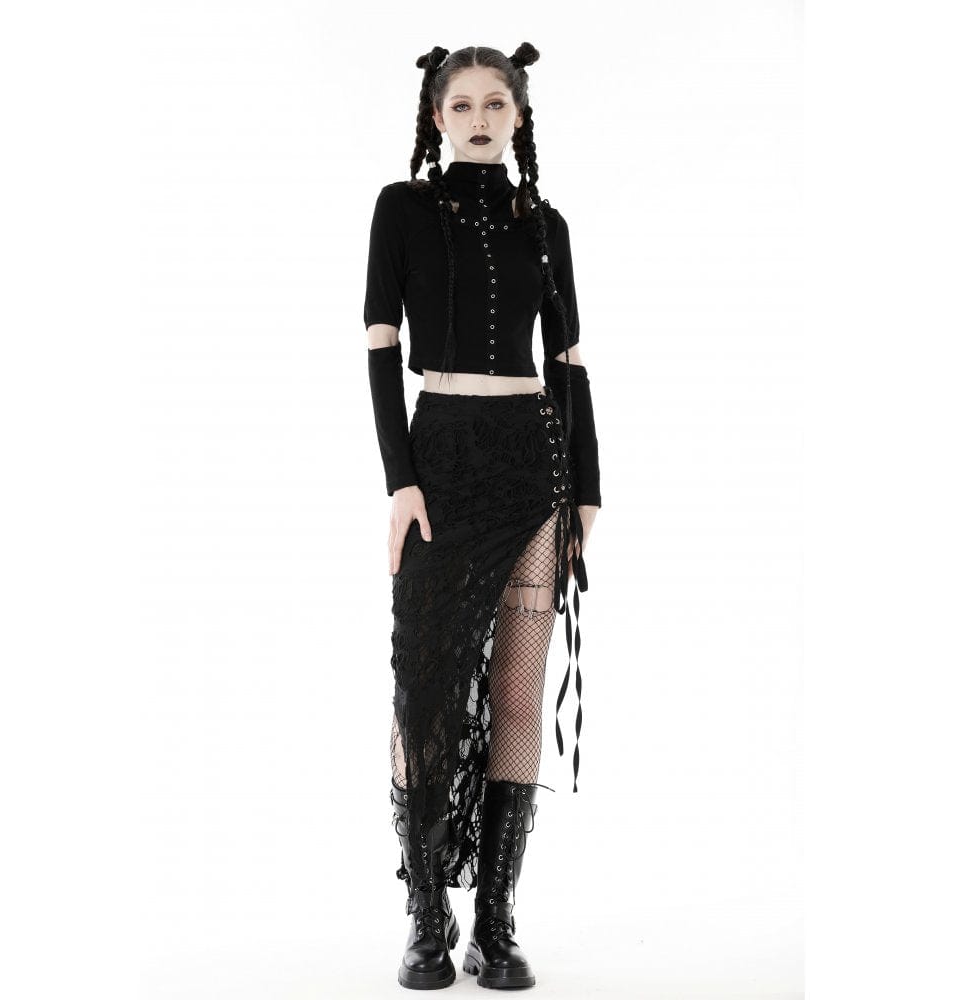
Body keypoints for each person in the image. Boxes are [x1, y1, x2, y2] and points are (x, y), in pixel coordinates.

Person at [365, 42, 603, 990]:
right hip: (441, 459)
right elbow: (379, 347)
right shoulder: (401, 208)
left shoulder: (545, 223)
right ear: (436, 116)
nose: (477, 119)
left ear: (518, 116)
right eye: (460, 104)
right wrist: (401, 480)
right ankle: (428, 915)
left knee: (516, 690)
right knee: (423, 689)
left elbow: (570, 362)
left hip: (532, 464)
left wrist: (587, 489)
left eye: (494, 104)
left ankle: (495, 921)